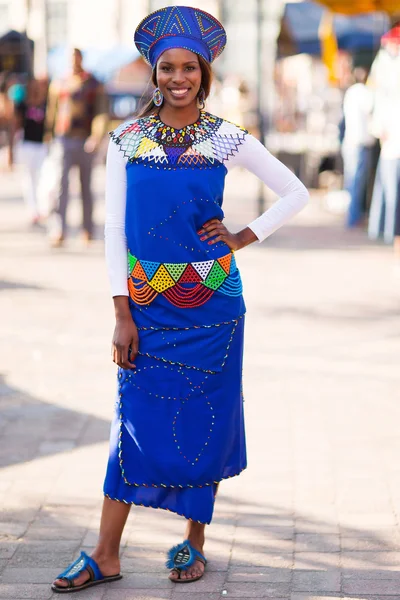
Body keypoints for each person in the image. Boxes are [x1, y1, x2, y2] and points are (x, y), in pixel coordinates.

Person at [51, 6, 309, 593]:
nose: (177, 78)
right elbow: (115, 230)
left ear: (204, 72)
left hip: (213, 307)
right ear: (153, 71)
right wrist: (121, 312)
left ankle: (193, 543)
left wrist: (243, 237)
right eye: (167, 67)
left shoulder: (225, 137)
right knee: (131, 426)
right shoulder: (126, 139)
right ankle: (106, 553)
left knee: (206, 423)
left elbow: (293, 191)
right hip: (146, 306)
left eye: (188, 68)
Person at [45, 48, 109, 246]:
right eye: (70, 57)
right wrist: (49, 134)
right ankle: (59, 229)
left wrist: (96, 136)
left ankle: (87, 229)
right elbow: (52, 110)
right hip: (63, 139)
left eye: (76, 57)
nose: (74, 60)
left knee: (85, 187)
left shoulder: (93, 83)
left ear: (81, 58)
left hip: (85, 140)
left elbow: (101, 111)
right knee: (60, 187)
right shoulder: (59, 82)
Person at [367, 25, 400, 261]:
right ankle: (389, 234)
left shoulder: (386, 65)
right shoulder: (387, 65)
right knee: (390, 192)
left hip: (389, 138)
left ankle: (384, 232)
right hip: (391, 140)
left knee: (387, 191)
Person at [341, 66, 375, 228]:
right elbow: (371, 109)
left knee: (351, 181)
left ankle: (352, 216)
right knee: (357, 182)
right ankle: (354, 218)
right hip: (359, 143)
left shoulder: (350, 92)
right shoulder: (363, 92)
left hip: (350, 142)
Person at [12, 77, 49, 225]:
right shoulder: (22, 105)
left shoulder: (47, 104)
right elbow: (16, 124)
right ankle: (33, 210)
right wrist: (11, 148)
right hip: (27, 145)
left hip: (42, 145)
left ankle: (42, 207)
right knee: (29, 178)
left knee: (43, 178)